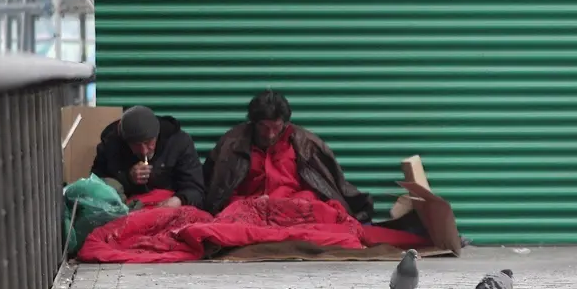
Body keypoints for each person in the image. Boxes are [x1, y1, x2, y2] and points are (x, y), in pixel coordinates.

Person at [202, 90, 374, 222]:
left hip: (292, 209)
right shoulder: (231, 144)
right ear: (253, 123)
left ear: (285, 123)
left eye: (276, 127)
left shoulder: (305, 143)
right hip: (249, 209)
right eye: (264, 127)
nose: (270, 135)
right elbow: (219, 193)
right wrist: (252, 203)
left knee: (325, 214)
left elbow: (330, 186)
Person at [91, 105, 205, 209]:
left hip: (169, 208)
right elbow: (97, 189)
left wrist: (179, 200)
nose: (144, 150)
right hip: (128, 211)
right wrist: (128, 178)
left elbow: (196, 189)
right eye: (136, 145)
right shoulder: (111, 146)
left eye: (148, 142)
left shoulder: (179, 142)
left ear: (157, 135)